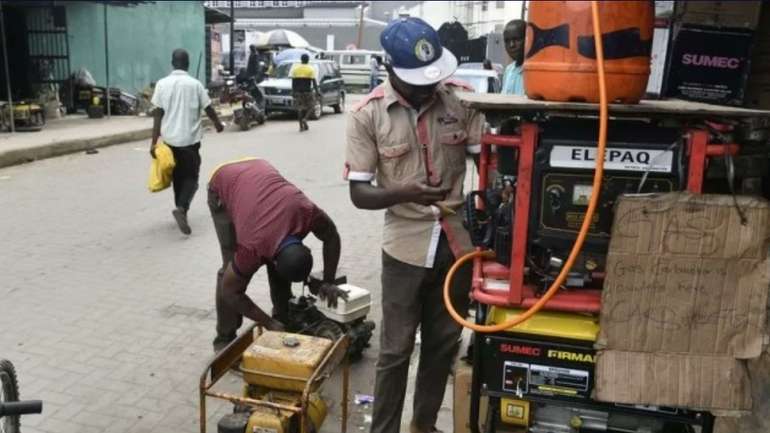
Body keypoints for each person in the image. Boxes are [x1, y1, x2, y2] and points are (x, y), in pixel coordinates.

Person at [345, 17, 483, 433]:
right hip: (404, 250)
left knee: (442, 347)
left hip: (457, 246)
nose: (428, 88)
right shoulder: (367, 115)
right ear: (390, 68)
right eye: (417, 80)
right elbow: (358, 194)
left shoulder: (461, 100)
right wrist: (405, 192)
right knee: (395, 350)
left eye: (433, 78)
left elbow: (491, 164)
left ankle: (422, 426)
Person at [208, 158, 347, 352]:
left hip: (256, 167)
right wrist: (266, 322)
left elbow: (331, 236)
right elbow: (231, 291)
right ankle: (225, 339)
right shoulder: (250, 247)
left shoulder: (306, 212)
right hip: (223, 181)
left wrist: (328, 281)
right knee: (229, 271)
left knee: (280, 264)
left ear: (304, 247)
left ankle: (283, 315)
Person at [151, 48, 224, 235]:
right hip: (190, 141)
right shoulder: (195, 85)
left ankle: (180, 208)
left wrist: (153, 142)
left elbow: (157, 114)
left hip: (169, 141)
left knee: (178, 177)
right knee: (191, 178)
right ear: (188, 64)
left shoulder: (162, 84)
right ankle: (182, 209)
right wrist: (218, 124)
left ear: (172, 63)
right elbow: (208, 108)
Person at [289, 54, 319, 132]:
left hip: (298, 92)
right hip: (307, 91)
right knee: (312, 106)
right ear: (308, 60)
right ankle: (305, 119)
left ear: (301, 60)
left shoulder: (295, 69)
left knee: (300, 109)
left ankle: (301, 127)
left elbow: (293, 82)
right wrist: (317, 91)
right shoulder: (310, 69)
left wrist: (293, 91)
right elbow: (314, 81)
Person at [501, 19, 526, 95]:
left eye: (517, 39)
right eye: (507, 41)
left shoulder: (534, 72)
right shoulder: (508, 70)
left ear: (528, 39)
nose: (511, 45)